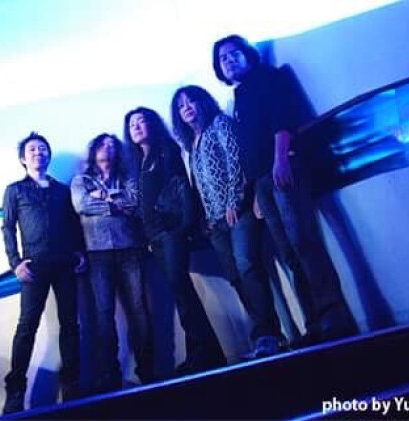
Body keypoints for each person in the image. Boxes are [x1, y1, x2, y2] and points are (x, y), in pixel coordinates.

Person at [212, 34, 358, 343]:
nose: (229, 61)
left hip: (283, 168)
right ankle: (314, 323)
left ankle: (334, 316)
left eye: (234, 54)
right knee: (288, 251)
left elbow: (282, 122)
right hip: (262, 181)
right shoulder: (238, 96)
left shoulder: (268, 77)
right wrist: (255, 192)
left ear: (247, 54)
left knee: (304, 242)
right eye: (222, 58)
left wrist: (281, 159)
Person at [171, 85, 287, 358]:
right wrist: (205, 219)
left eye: (190, 101)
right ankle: (265, 336)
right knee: (236, 277)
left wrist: (234, 200)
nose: (186, 108)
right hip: (215, 224)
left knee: (248, 267)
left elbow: (236, 160)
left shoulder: (220, 123)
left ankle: (269, 336)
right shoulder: (191, 144)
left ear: (202, 102)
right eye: (180, 106)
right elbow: (200, 185)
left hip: (238, 212)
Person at [123, 107, 227, 375]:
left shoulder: (165, 149)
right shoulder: (139, 161)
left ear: (152, 124)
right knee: (179, 289)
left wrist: (184, 225)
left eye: (141, 121)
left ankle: (207, 352)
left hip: (171, 231)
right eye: (132, 124)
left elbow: (180, 187)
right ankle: (200, 353)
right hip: (154, 236)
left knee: (181, 288)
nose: (136, 127)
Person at [1, 132, 86, 414]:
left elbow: (73, 225)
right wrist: (15, 263)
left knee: (70, 325)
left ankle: (71, 384)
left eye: (42, 148)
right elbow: (7, 228)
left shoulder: (62, 190)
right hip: (33, 267)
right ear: (23, 159)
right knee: (27, 328)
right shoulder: (14, 190)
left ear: (48, 155)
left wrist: (79, 252)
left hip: (65, 264)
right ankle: (15, 392)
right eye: (32, 149)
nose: (38, 152)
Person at [71, 134, 153, 392]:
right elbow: (81, 205)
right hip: (97, 253)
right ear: (93, 150)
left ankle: (147, 369)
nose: (107, 148)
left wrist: (103, 197)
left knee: (139, 309)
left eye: (111, 144)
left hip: (130, 249)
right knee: (103, 313)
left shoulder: (127, 176)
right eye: (102, 144)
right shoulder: (81, 180)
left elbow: (134, 201)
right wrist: (114, 204)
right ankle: (109, 374)